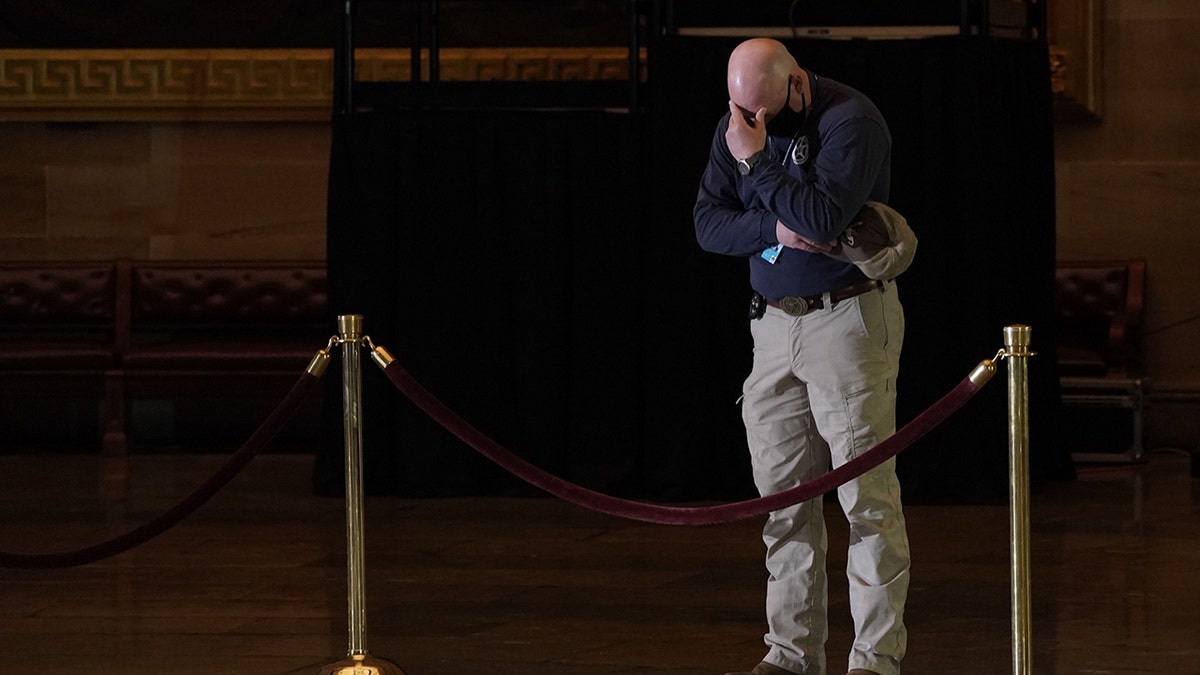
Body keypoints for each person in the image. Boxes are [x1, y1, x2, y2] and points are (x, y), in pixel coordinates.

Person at [693, 38, 910, 675]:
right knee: (781, 502)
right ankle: (791, 656)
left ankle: (875, 661)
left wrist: (759, 167)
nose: (746, 124)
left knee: (865, 499)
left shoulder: (851, 120)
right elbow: (708, 223)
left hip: (845, 320)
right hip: (771, 328)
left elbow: (821, 218)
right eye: (739, 111)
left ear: (796, 85)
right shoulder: (738, 123)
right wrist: (770, 227)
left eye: (759, 112)